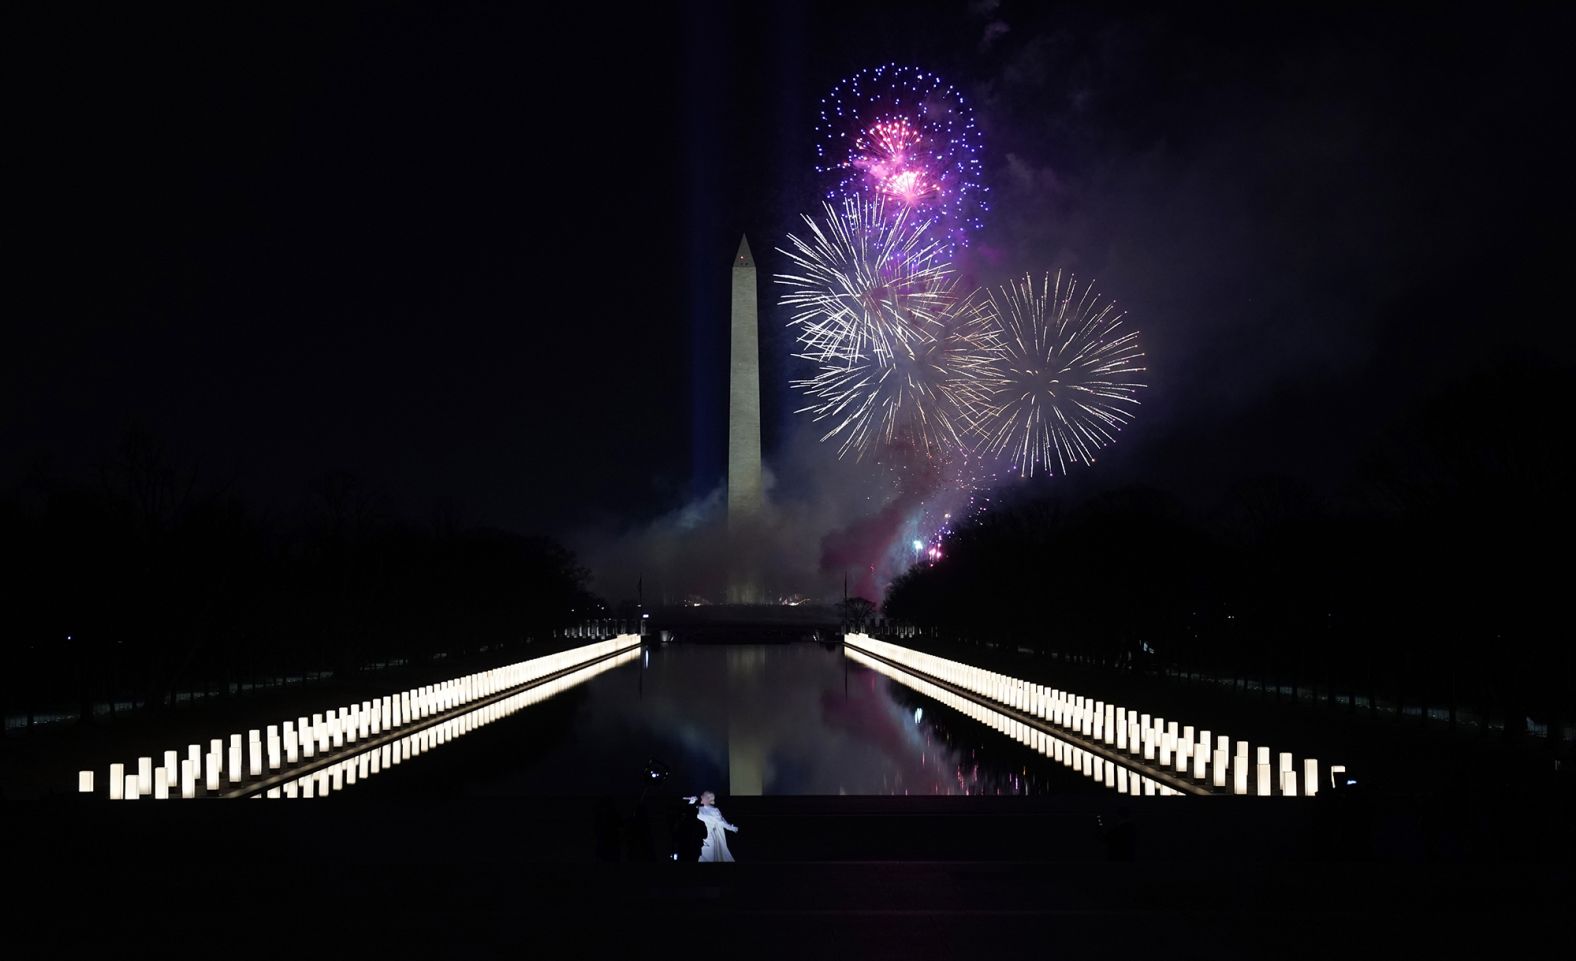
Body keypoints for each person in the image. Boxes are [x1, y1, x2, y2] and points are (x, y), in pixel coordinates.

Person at [682, 790, 739, 862]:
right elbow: (689, 814)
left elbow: (721, 822)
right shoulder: (698, 808)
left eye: (703, 795)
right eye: (701, 795)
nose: (701, 796)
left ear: (708, 799)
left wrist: (732, 828)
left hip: (709, 840)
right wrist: (691, 802)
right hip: (698, 839)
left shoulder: (714, 810)